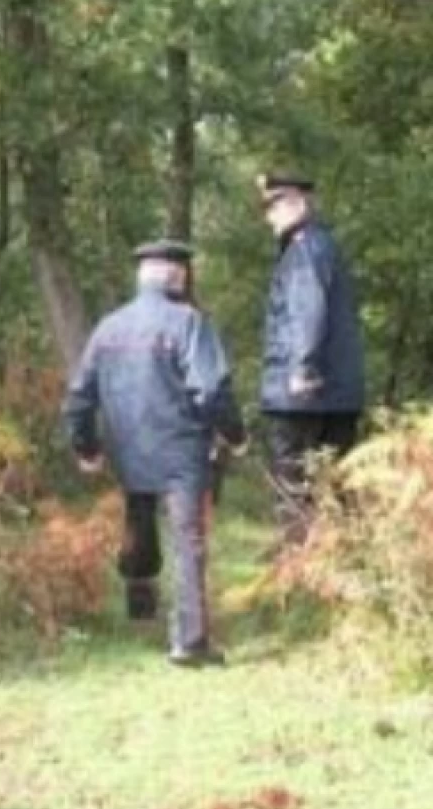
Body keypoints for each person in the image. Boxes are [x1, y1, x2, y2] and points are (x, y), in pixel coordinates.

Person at [63, 240, 247, 668]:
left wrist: (86, 446)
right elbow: (212, 388)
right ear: (178, 276)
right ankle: (190, 642)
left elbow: (78, 396)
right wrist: (234, 434)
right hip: (181, 449)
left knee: (139, 522)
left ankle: (141, 608)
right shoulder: (188, 323)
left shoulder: (108, 328)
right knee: (189, 540)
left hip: (128, 449)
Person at [257, 172, 366, 549]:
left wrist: (302, 367)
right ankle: (346, 569)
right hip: (337, 394)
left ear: (297, 203)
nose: (268, 216)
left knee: (295, 487)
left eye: (273, 205)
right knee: (337, 486)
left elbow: (307, 309)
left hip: (303, 393)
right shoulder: (324, 245)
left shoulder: (304, 249)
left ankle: (300, 575)